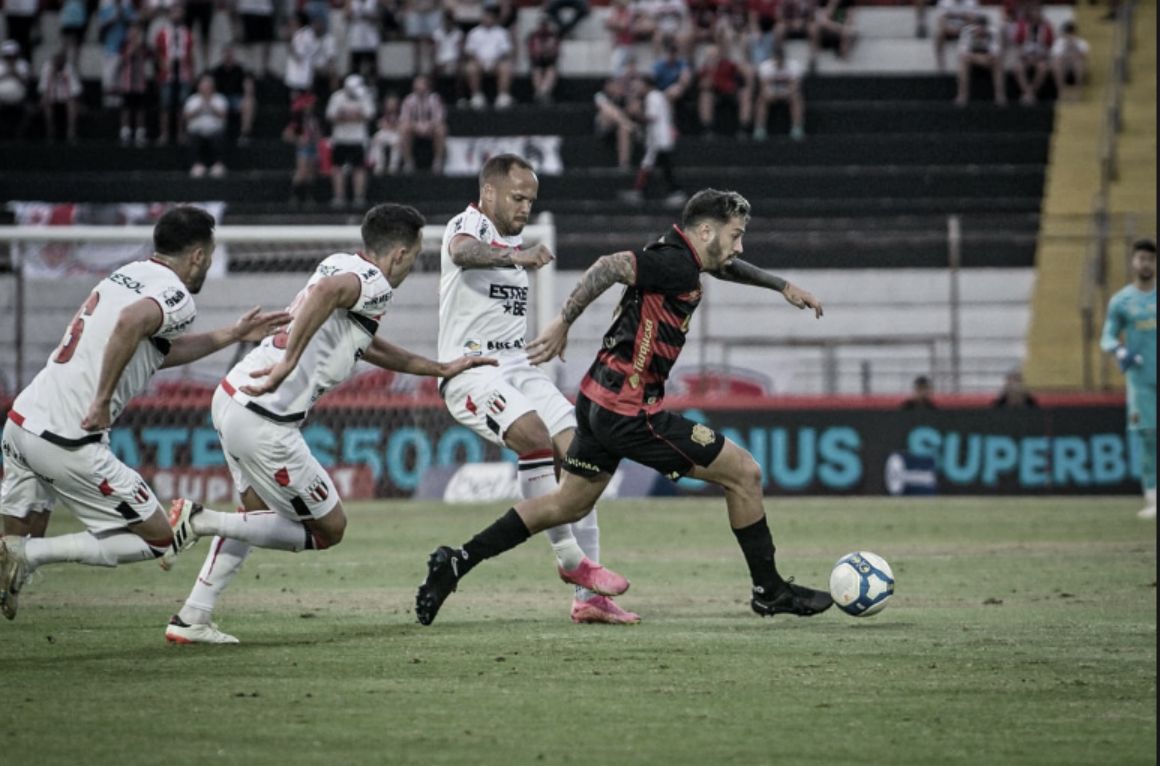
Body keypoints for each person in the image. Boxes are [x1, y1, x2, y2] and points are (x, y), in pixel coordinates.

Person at [416, 188, 832, 626]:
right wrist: (563, 321)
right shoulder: (674, 263)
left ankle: (457, 560)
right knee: (744, 473)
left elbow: (723, 265)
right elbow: (609, 265)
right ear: (705, 231)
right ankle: (769, 591)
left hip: (598, 401)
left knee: (565, 505)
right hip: (633, 413)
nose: (739, 246)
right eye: (735, 235)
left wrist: (781, 285)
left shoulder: (679, 253)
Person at [161, 204, 497, 643]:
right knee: (328, 529)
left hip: (233, 397)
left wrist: (440, 368)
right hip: (266, 416)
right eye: (413, 259)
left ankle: (193, 617)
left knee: (255, 516)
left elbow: (367, 344)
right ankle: (200, 521)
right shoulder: (372, 281)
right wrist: (288, 363)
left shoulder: (342, 264)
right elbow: (325, 297)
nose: (411, 268)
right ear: (397, 254)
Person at [0, 207, 288, 620]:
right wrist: (100, 400)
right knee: (158, 538)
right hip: (68, 437)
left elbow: (151, 350)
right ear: (199, 256)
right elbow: (130, 324)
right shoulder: (176, 295)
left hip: (23, 421)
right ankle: (25, 554)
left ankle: (16, 560)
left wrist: (233, 334)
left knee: (17, 532)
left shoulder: (128, 273)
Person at [433, 154, 639, 625]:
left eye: (531, 199)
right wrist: (516, 256)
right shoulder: (467, 225)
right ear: (489, 193)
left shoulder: (513, 238)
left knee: (583, 458)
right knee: (534, 438)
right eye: (518, 197)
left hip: (519, 365)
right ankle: (571, 561)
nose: (526, 206)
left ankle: (589, 600)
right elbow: (463, 252)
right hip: (473, 368)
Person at [1100, 238, 1157, 520]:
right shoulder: (1122, 301)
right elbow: (1106, 337)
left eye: (1150, 259)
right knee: (1148, 436)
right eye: (1141, 258)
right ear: (1134, 262)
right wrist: (1121, 350)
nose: (1145, 263)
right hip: (1141, 381)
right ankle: (1153, 496)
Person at [325, 74, 376, 209]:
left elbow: (370, 114)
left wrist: (353, 115)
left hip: (358, 138)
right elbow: (330, 115)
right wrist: (346, 115)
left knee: (359, 168)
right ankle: (339, 197)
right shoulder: (337, 97)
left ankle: (359, 197)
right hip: (340, 138)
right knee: (337, 168)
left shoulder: (365, 96)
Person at [463, 8, 514, 110]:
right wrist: (478, 61)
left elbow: (506, 51)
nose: (487, 19)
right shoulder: (474, 32)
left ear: (494, 19)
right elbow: (469, 51)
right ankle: (476, 96)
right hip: (479, 62)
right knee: (470, 68)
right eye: (485, 17)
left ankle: (502, 96)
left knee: (506, 67)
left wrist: (496, 61)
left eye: (489, 17)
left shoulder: (501, 32)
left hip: (497, 62)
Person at [753, 46, 805, 141]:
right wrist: (770, 94)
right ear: (774, 58)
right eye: (777, 59)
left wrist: (786, 94)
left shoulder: (794, 66)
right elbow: (763, 87)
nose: (779, 62)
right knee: (761, 99)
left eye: (781, 59)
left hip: (787, 94)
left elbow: (795, 87)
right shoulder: (765, 67)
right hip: (771, 94)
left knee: (797, 98)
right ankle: (759, 128)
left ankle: (797, 128)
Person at [398, 74, 447, 174]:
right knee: (403, 129)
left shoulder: (435, 99)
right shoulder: (408, 100)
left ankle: (437, 161)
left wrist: (428, 126)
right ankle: (408, 161)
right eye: (417, 84)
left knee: (441, 129)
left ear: (427, 85)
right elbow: (404, 118)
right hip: (414, 129)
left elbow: (439, 117)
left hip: (430, 129)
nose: (419, 87)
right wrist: (416, 126)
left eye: (421, 84)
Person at [182, 73, 228, 178]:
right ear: (199, 87)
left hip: (215, 131)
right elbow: (186, 116)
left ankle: (218, 165)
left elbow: (223, 115)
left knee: (219, 137)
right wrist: (200, 107)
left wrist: (210, 105)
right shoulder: (192, 100)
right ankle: (196, 165)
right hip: (196, 132)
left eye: (208, 86)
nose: (206, 89)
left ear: (213, 87)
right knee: (192, 137)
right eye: (204, 86)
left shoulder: (219, 99)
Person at [211, 45, 256, 145]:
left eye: (230, 53)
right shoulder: (217, 71)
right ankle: (218, 134)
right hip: (221, 99)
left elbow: (247, 85)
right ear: (222, 55)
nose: (228, 56)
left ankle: (245, 134)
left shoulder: (240, 69)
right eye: (226, 53)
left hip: (236, 99)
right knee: (216, 103)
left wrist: (248, 91)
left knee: (249, 102)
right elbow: (212, 88)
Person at [1051, 20, 1088, 101]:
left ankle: (1078, 93)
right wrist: (1066, 46)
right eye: (1067, 32)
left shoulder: (1081, 42)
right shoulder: (1059, 42)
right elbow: (1056, 56)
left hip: (1075, 64)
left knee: (1079, 64)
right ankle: (1061, 91)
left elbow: (1083, 56)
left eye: (1070, 32)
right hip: (1064, 64)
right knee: (1057, 64)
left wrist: (1073, 44)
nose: (1069, 34)